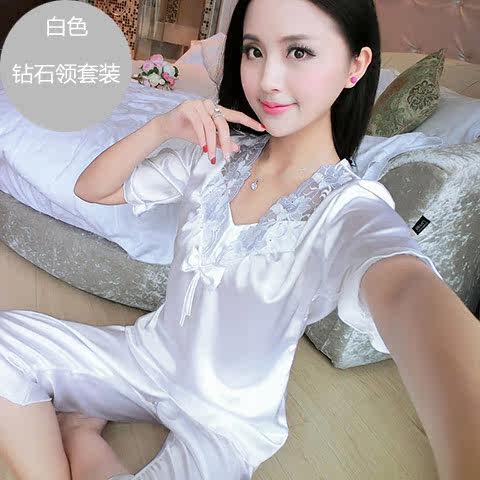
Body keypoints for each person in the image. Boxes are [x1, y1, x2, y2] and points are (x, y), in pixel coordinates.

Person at [1, 0, 479, 479]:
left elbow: (406, 287)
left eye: (298, 52)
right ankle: (82, 429)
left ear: (356, 66)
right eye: (254, 50)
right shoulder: (217, 156)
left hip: (226, 421)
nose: (267, 79)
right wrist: (162, 126)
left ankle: (80, 430)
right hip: (146, 357)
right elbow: (92, 190)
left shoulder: (349, 209)